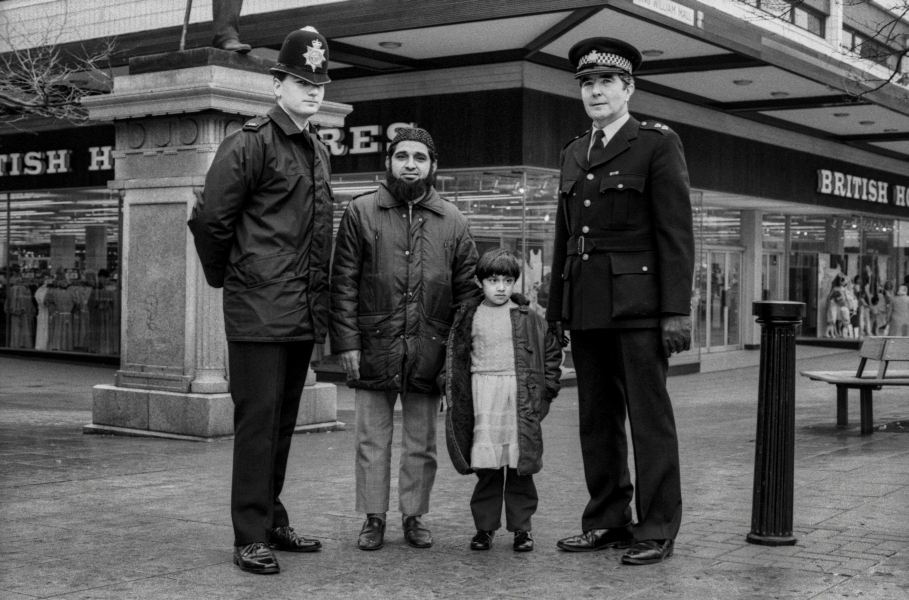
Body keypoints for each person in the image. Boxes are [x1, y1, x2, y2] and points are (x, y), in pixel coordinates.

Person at [187, 26, 333, 575]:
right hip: (259, 308)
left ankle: (271, 518)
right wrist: (232, 278)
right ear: (277, 84)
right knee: (257, 425)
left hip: (300, 308)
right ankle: (249, 534)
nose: (312, 91)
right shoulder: (250, 142)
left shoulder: (317, 148)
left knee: (282, 423)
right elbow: (211, 219)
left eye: (319, 83)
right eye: (301, 82)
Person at [546, 37, 695, 566]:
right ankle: (607, 519)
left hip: (639, 305)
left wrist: (676, 310)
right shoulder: (572, 151)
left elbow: (675, 232)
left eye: (606, 81)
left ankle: (656, 527)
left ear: (628, 88)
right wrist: (556, 310)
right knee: (597, 420)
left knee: (649, 419)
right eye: (587, 83)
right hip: (587, 302)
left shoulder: (656, 143)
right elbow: (565, 237)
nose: (595, 91)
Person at [330, 127, 479, 551]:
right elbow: (343, 283)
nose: (410, 165)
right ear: (388, 163)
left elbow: (467, 291)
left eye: (419, 157)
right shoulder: (361, 211)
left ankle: (414, 515)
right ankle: (373, 517)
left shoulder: (453, 220)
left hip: (431, 348)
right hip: (373, 345)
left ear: (433, 166)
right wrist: (347, 343)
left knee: (422, 442)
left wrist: (459, 356)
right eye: (402, 157)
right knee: (371, 440)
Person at [440, 248, 562, 552]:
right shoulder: (468, 317)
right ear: (480, 282)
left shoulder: (528, 317)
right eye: (493, 280)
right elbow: (454, 355)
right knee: (487, 467)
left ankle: (522, 529)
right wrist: (450, 388)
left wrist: (547, 390)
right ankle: (485, 528)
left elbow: (550, 351)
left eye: (507, 281)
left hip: (517, 395)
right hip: (482, 394)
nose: (501, 288)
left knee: (520, 465)